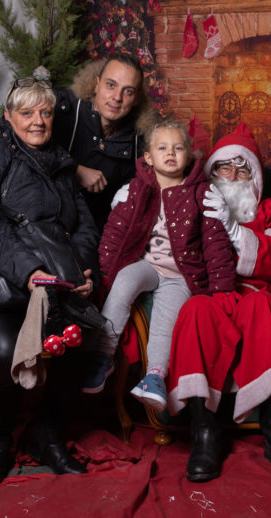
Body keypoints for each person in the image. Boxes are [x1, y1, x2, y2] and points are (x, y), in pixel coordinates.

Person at [0, 69, 99, 490]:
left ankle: (47, 437)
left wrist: (83, 269)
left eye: (45, 113)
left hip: (52, 283)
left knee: (81, 342)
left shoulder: (60, 160)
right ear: (8, 115)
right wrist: (28, 271)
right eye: (27, 113)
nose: (38, 121)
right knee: (2, 350)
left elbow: (82, 225)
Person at [166, 123, 271, 482]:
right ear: (211, 174)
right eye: (224, 168)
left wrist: (235, 231)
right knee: (195, 311)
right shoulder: (193, 206)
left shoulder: (269, 210)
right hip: (210, 297)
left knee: (264, 308)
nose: (232, 176)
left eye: (242, 169)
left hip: (256, 296)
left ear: (254, 178)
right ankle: (205, 434)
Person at [82, 120, 236, 411]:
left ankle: (155, 376)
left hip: (180, 274)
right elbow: (116, 231)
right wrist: (104, 271)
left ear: (189, 156)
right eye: (162, 148)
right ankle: (103, 354)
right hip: (146, 264)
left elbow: (215, 243)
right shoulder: (136, 190)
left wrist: (222, 288)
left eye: (178, 148)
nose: (170, 153)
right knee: (124, 281)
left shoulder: (201, 194)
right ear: (149, 158)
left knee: (167, 319)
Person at [52, 51, 157, 232]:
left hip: (94, 232)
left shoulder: (141, 142)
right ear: (97, 84)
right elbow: (16, 141)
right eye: (111, 85)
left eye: (128, 91)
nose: (117, 97)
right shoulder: (62, 106)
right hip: (45, 219)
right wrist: (73, 169)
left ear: (137, 99)